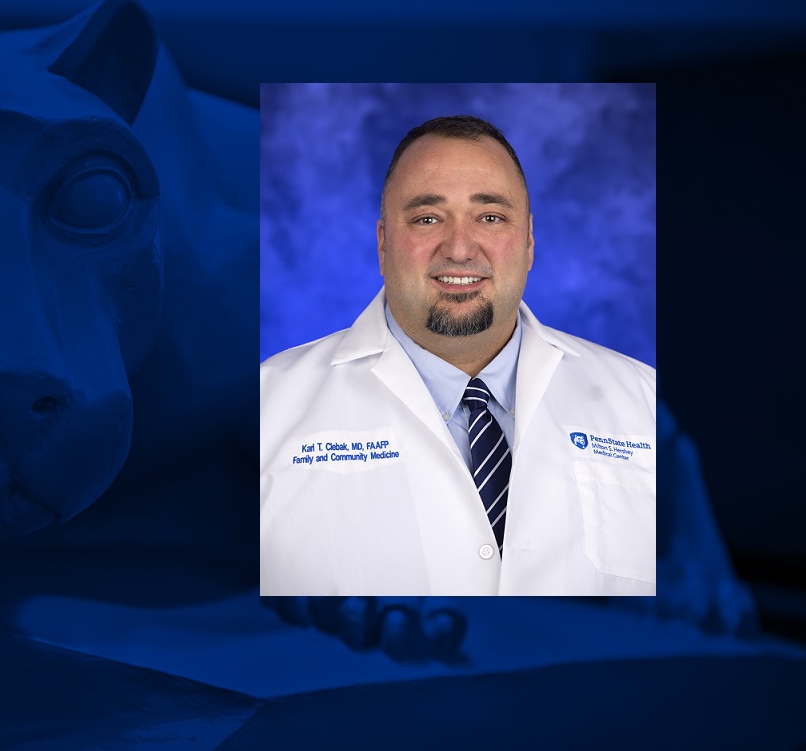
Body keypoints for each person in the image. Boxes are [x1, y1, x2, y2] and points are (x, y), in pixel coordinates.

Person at [260, 115, 656, 596]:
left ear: (528, 241)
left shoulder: (642, 400)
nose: (461, 249)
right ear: (383, 243)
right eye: (428, 219)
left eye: (490, 217)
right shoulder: (266, 406)